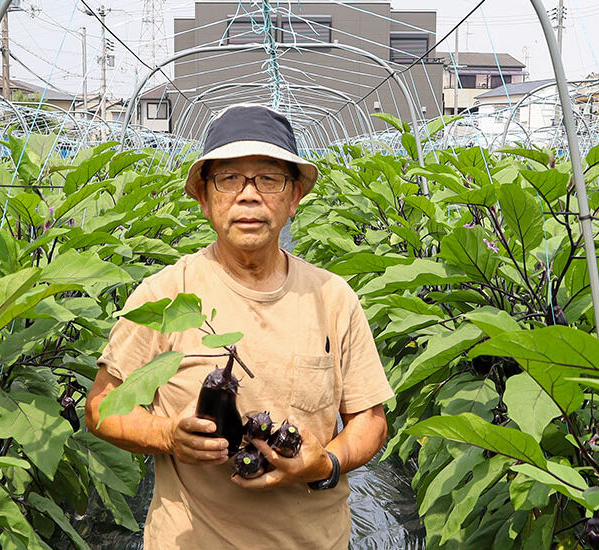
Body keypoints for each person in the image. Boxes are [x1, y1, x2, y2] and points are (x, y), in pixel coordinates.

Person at [85, 104, 393, 549]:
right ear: (205, 199)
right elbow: (102, 406)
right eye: (229, 179)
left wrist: (324, 463)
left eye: (269, 179)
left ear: (293, 200)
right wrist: (166, 434)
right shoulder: (165, 296)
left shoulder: (333, 297)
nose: (249, 195)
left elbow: (370, 420)